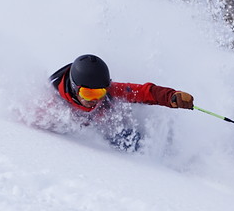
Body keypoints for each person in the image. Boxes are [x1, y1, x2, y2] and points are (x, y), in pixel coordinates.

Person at [48, 54, 194, 150]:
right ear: (75, 88)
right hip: (85, 144)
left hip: (110, 132)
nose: (94, 100)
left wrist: (171, 97)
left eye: (100, 93)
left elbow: (143, 92)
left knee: (135, 142)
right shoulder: (54, 100)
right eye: (88, 93)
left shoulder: (110, 92)